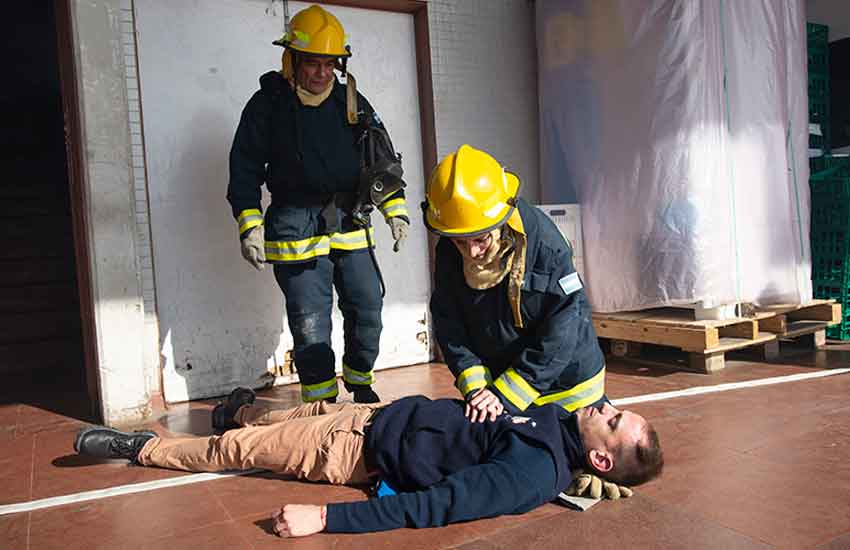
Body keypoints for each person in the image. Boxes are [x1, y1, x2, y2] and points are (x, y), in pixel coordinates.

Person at [74, 387, 664, 538]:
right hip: (378, 413)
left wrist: (325, 519)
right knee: (277, 417)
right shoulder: (561, 426)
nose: (606, 406)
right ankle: (240, 413)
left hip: (353, 450)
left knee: (239, 452)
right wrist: (582, 474)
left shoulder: (533, 474)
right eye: (618, 409)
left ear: (600, 456)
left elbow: (436, 509)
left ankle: (141, 448)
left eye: (613, 421)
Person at [226, 4, 410, 404]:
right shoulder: (267, 105)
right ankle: (321, 404)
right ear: (291, 60)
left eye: (330, 64)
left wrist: (395, 211)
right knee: (310, 323)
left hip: (349, 222)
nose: (323, 73)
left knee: (367, 308)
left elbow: (380, 159)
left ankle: (360, 384)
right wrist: (250, 225)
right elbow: (243, 169)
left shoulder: (352, 101)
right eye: (313, 63)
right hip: (295, 229)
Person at [424, 144, 607, 423]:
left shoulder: (546, 245)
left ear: (501, 219)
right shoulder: (451, 245)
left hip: (570, 390)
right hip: (499, 393)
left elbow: (565, 323)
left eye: (480, 239)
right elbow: (449, 322)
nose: (471, 252)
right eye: (461, 241)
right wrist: (477, 388)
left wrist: (507, 393)